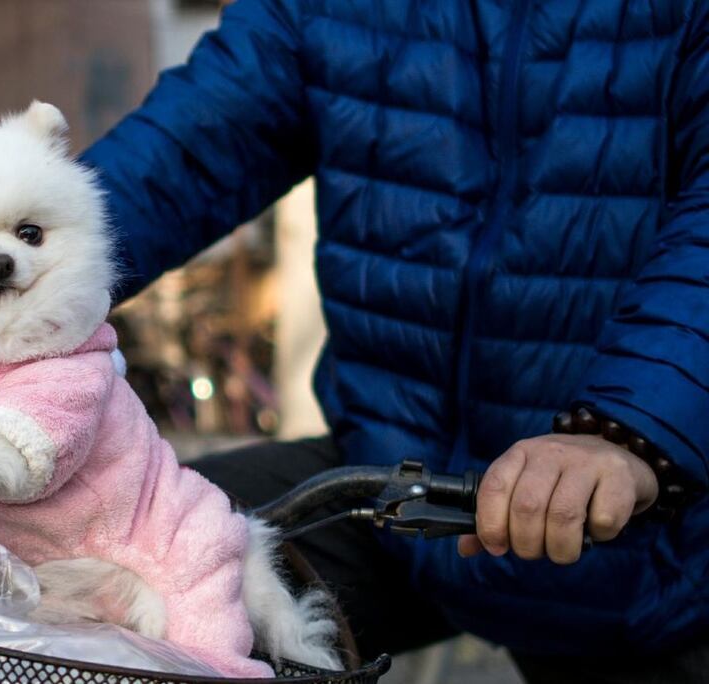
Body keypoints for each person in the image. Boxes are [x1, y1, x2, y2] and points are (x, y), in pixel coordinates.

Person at [79, 1, 709, 682]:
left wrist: (627, 432)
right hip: (393, 477)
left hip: (653, 537)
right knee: (111, 551)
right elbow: (182, 154)